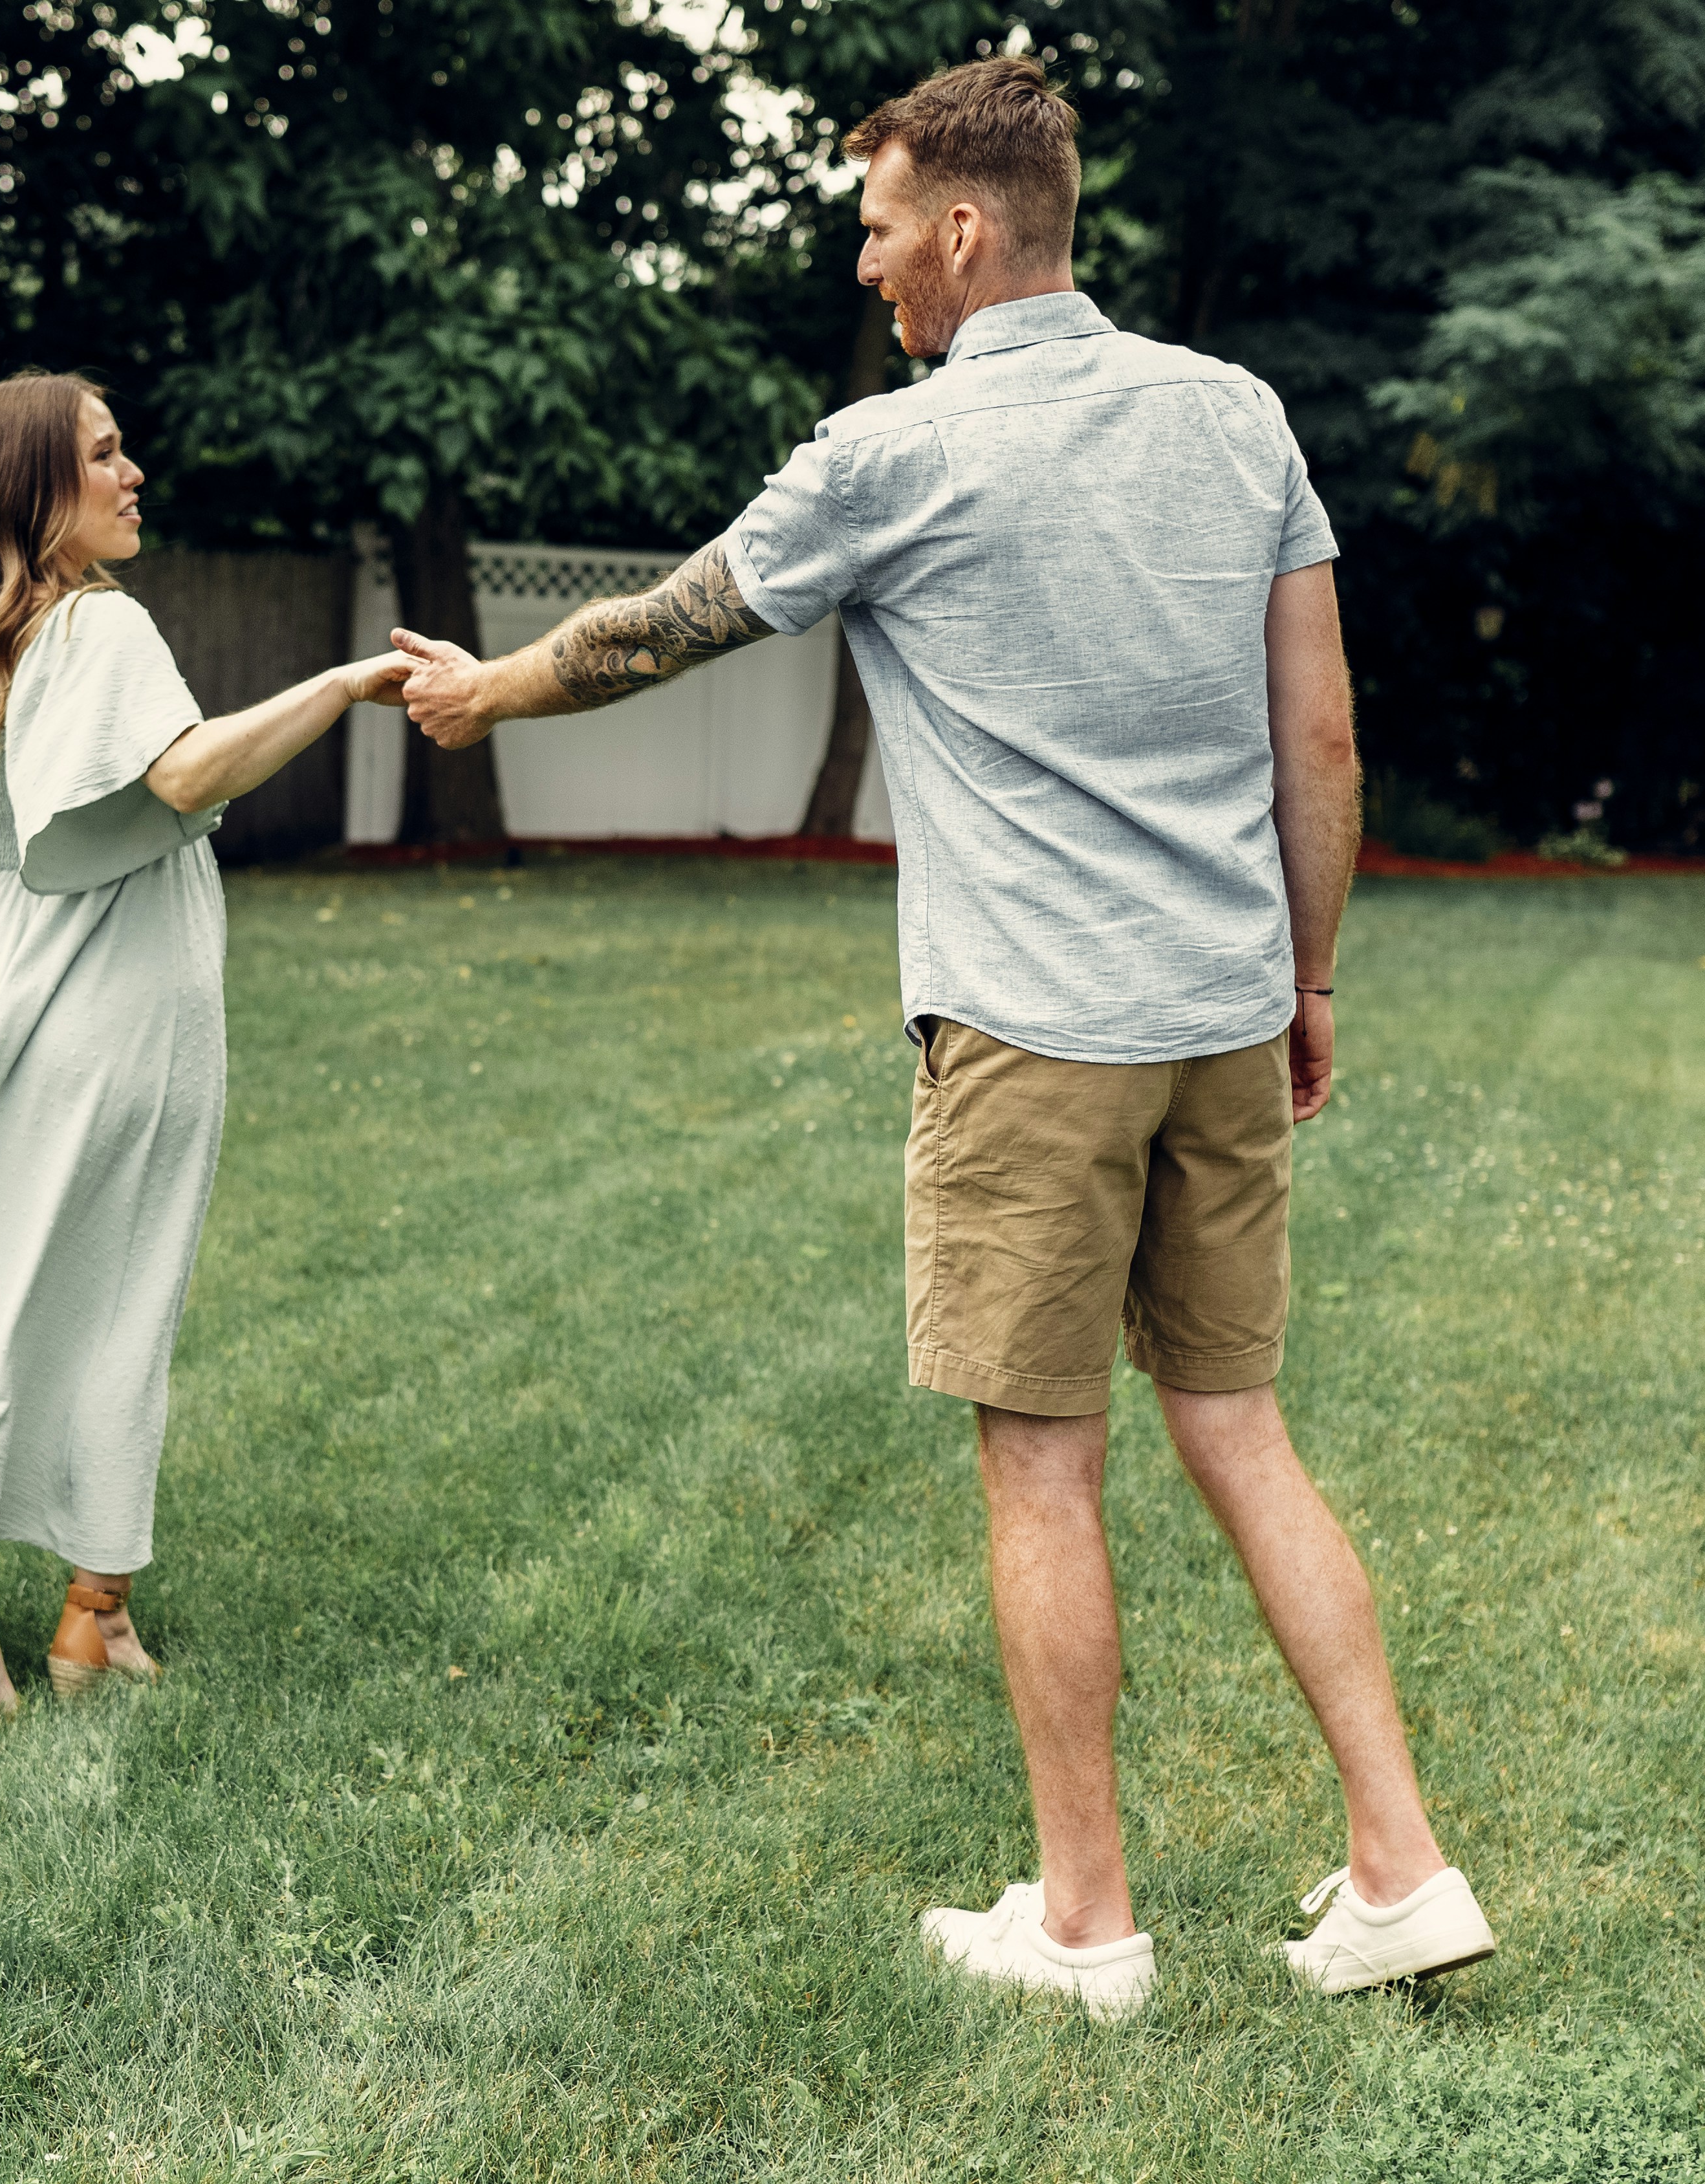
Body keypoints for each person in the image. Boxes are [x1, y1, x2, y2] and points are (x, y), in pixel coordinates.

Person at [389, 56, 1493, 2018]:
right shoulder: (1234, 415)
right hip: (1223, 1020)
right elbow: (1319, 736)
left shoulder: (888, 455)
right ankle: (1402, 1868)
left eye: (881, 227)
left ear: (966, 233)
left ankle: (1084, 1924)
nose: (866, 263)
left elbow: (657, 628)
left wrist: (483, 695)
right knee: (1238, 1428)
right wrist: (1309, 981)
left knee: (1041, 1467)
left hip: (1031, 1037)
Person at [0, 371, 405, 1726]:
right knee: (117, 1301)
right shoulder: (100, 625)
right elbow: (185, 772)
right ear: (34, 489)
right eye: (104, 454)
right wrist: (344, 684)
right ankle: (91, 1619)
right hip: (107, 996)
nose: (133, 473)